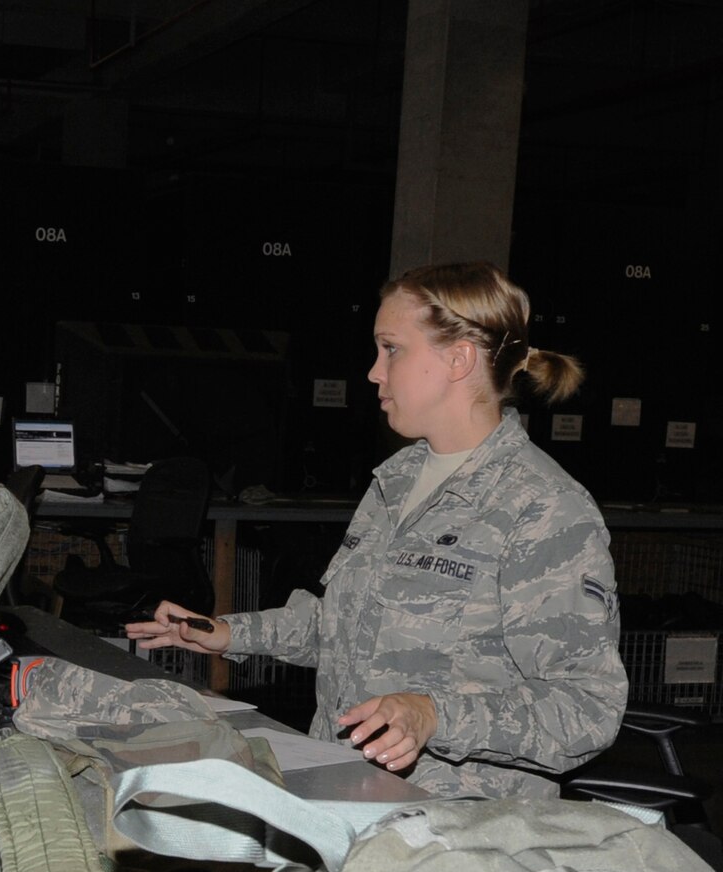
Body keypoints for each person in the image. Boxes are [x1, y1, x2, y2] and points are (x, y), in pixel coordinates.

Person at [128, 260, 625, 798]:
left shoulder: (544, 508)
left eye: (392, 349)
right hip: (342, 786)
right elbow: (349, 625)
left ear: (458, 359)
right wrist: (227, 632)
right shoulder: (398, 479)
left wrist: (433, 716)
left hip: (456, 823)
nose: (374, 372)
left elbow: (586, 709)